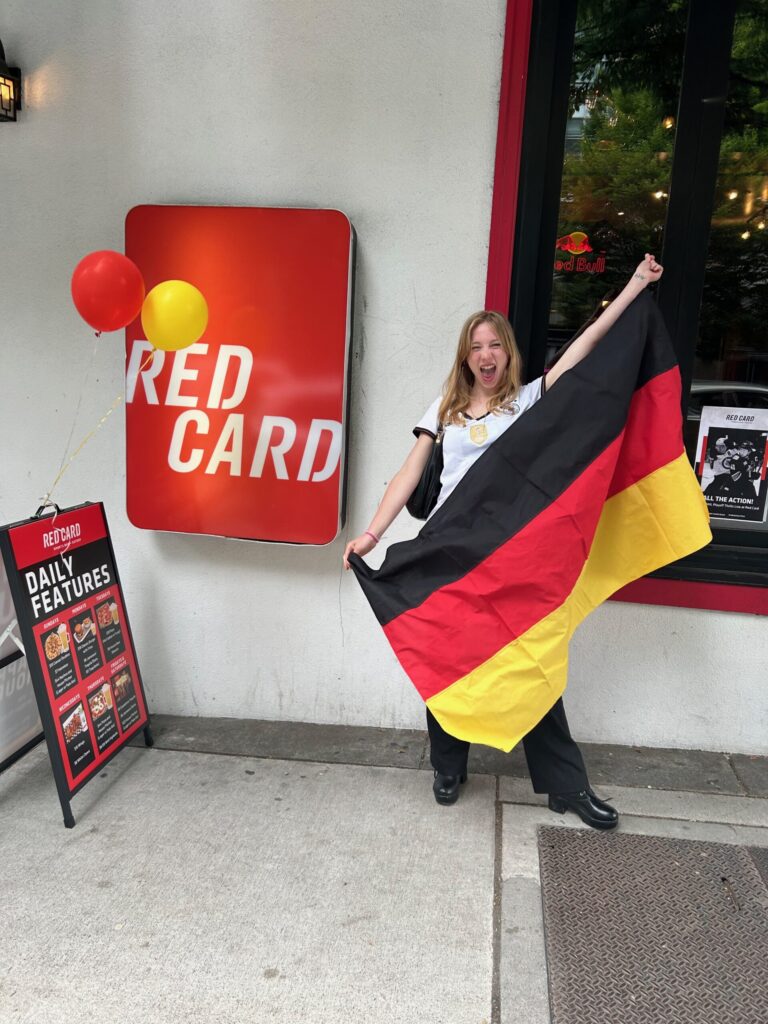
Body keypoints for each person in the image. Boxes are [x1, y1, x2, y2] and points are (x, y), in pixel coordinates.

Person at [344, 254, 664, 828]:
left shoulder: (529, 401)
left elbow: (585, 346)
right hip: (449, 552)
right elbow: (408, 474)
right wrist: (372, 534)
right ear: (465, 358)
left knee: (529, 662)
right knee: (445, 659)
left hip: (508, 559)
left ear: (507, 352)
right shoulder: (443, 411)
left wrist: (635, 287)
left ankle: (566, 785)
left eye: (494, 345)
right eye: (475, 347)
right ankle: (448, 767)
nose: (486, 356)